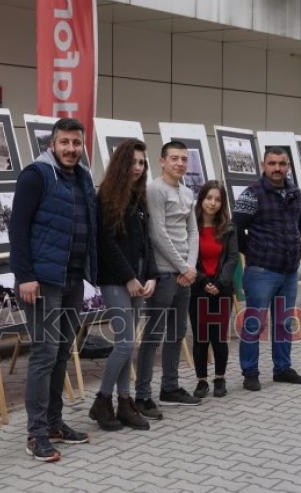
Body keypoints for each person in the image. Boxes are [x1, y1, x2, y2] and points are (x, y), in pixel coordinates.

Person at [9, 118, 96, 463]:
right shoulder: (36, 175)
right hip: (42, 281)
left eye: (76, 143)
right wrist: (24, 275)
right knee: (44, 354)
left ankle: (56, 423)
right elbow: (17, 227)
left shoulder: (84, 177)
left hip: (72, 279)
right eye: (65, 143)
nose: (71, 149)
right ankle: (37, 433)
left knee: (62, 352)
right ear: (53, 144)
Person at [89, 139, 157, 431]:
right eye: (134, 162)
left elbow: (146, 243)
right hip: (117, 280)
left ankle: (124, 402)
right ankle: (102, 400)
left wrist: (151, 275)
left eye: (142, 163)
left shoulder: (138, 197)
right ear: (121, 164)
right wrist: (129, 276)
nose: (139, 168)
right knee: (126, 342)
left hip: (140, 280)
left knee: (126, 344)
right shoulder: (105, 196)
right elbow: (106, 244)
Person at [233, 147, 301, 391]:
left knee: (284, 323)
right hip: (261, 272)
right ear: (263, 164)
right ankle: (250, 373)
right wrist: (254, 251)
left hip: (289, 272)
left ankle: (282, 369)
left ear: (288, 166)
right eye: (272, 163)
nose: (277, 168)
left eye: (282, 163)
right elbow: (235, 230)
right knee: (254, 324)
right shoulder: (251, 194)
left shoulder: (295, 192)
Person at [135, 141, 201, 418]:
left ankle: (170, 387)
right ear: (162, 161)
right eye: (174, 158)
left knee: (177, 333)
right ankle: (142, 395)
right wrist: (181, 266)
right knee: (153, 336)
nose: (180, 163)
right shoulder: (154, 190)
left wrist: (191, 267)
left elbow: (193, 231)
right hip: (163, 273)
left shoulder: (187, 192)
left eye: (184, 159)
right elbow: (157, 233)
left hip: (184, 274)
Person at [189, 181, 238, 399]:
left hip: (222, 290)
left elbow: (232, 258)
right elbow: (187, 256)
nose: (213, 203)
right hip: (197, 288)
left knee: (218, 337)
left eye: (217, 199)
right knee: (200, 338)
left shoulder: (228, 228)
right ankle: (201, 381)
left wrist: (219, 283)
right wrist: (202, 281)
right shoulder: (191, 225)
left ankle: (219, 378)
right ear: (201, 199)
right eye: (209, 198)